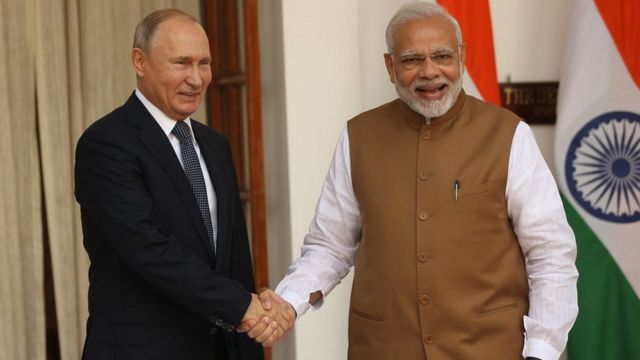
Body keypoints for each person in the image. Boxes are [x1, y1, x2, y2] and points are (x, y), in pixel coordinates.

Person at [267, 2, 579, 359]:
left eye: (442, 56)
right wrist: (288, 302)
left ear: (461, 57)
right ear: (390, 65)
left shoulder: (509, 135)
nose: (430, 72)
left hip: (489, 349)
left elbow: (550, 253)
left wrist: (542, 350)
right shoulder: (359, 136)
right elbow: (330, 246)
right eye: (412, 60)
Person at [74, 9, 292, 359]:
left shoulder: (215, 145)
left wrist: (251, 326)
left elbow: (234, 256)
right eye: (181, 63)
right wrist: (242, 306)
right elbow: (148, 249)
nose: (197, 78)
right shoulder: (106, 144)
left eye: (204, 63)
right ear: (139, 61)